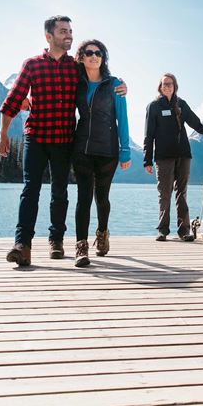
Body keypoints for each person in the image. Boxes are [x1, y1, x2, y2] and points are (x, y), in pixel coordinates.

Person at [0, 16, 125, 267]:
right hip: (35, 136)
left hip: (64, 138)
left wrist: (120, 85)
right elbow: (14, 99)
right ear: (49, 36)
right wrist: (3, 133)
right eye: (63, 31)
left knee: (60, 192)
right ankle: (22, 245)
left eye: (70, 31)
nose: (69, 35)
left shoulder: (74, 68)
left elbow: (97, 76)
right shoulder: (32, 65)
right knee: (29, 190)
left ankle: (56, 240)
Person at [143, 73, 203, 242]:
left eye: (170, 84)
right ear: (159, 87)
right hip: (163, 157)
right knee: (165, 193)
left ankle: (184, 231)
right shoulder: (153, 106)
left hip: (183, 155)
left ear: (175, 86)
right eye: (164, 84)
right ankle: (163, 230)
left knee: (182, 193)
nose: (167, 86)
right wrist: (147, 159)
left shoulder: (182, 105)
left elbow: (198, 126)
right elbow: (149, 135)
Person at [71, 40, 131, 267]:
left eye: (98, 53)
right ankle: (81, 246)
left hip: (108, 150)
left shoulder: (115, 84)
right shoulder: (77, 84)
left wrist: (125, 151)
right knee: (83, 197)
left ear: (103, 58)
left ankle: (103, 232)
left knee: (102, 197)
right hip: (82, 148)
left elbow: (122, 119)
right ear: (82, 57)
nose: (94, 56)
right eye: (89, 53)